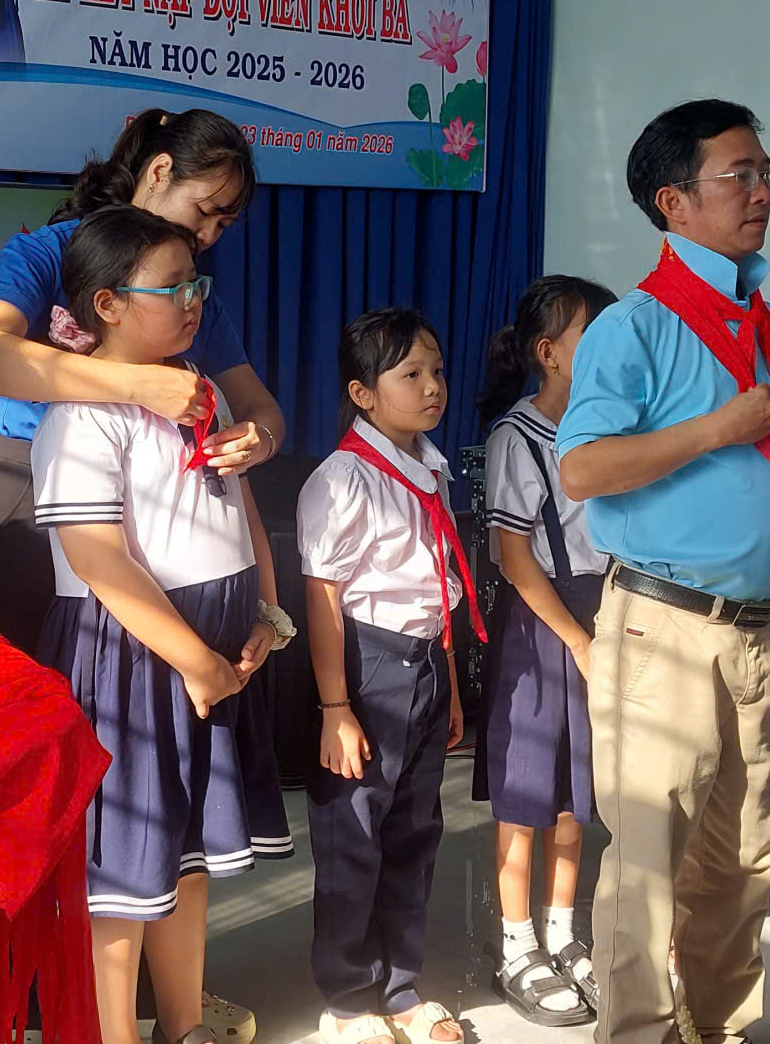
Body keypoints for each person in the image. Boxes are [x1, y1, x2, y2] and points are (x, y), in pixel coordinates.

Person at [556, 99, 770, 1044]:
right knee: (646, 868)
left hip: (762, 628)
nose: (761, 193)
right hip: (665, 628)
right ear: (674, 202)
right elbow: (582, 469)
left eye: (765, 174)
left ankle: (716, 1029)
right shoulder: (632, 328)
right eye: (739, 176)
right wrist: (717, 427)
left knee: (744, 856)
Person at [32, 207, 295, 1044]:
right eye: (172, 286)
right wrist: (192, 659)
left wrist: (265, 611)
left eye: (197, 283)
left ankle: (183, 1024)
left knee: (188, 856)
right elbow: (99, 560)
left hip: (212, 654)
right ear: (107, 304)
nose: (193, 301)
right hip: (134, 660)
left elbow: (239, 510)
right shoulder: (81, 415)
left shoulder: (198, 390)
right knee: (123, 873)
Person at [0, 108, 286, 662]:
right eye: (205, 211)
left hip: (156, 514)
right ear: (158, 172)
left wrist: (260, 440)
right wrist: (135, 385)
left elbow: (260, 407)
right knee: (30, 679)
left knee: (135, 675)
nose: (206, 236)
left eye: (223, 226)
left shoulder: (193, 297)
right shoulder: (48, 254)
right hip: (29, 492)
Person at [300, 309, 479, 1044]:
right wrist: (335, 707)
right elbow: (323, 599)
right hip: (366, 668)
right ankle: (348, 1000)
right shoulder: (343, 479)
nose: (432, 386)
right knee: (354, 835)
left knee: (415, 831)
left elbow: (438, 586)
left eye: (436, 370)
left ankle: (402, 988)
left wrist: (451, 684)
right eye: (410, 374)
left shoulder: (430, 467)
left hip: (427, 662)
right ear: (363, 393)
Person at [474, 275, 618, 1028]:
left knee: (575, 791)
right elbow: (515, 558)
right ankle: (517, 943)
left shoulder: (610, 429)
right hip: (543, 625)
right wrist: (578, 639)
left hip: (603, 610)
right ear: (548, 353)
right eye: (593, 333)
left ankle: (563, 930)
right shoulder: (517, 436)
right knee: (526, 790)